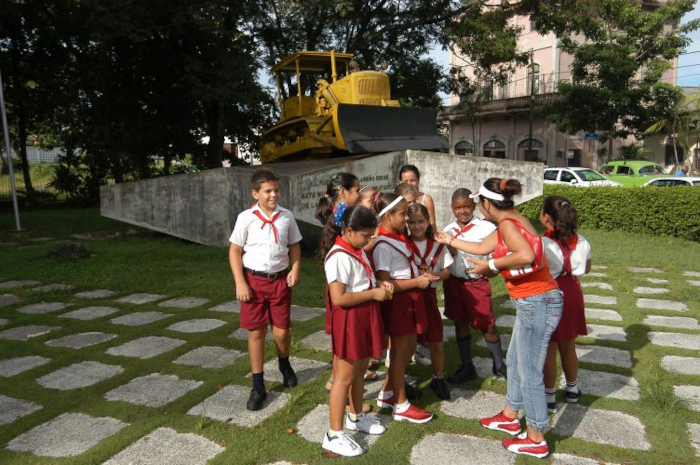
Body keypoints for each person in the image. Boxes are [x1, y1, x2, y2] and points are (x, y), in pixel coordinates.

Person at [435, 178, 562, 459]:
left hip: (537, 301)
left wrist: (491, 265)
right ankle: (510, 415)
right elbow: (481, 247)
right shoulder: (512, 218)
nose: (480, 207)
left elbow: (527, 255)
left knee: (529, 370)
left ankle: (537, 436)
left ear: (487, 203)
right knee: (516, 361)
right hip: (533, 301)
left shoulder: (506, 224)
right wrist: (449, 240)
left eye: (480, 202)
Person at [228, 168, 302, 411]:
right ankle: (258, 384)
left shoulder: (286, 217)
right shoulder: (245, 218)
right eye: (268, 191)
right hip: (254, 283)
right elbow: (235, 251)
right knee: (256, 333)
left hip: (280, 281)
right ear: (255, 193)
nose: (273, 195)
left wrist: (295, 268)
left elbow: (294, 245)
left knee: (281, 332)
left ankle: (284, 363)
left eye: (276, 190)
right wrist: (240, 282)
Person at [321, 205, 392, 457]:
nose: (369, 240)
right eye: (366, 236)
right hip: (350, 319)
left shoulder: (355, 249)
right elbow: (339, 298)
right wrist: (374, 293)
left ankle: (356, 415)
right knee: (344, 377)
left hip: (363, 315)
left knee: (360, 371)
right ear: (349, 231)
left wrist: (377, 286)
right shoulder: (339, 255)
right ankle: (334, 434)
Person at [373, 192, 437, 423]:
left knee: (409, 347)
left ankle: (388, 392)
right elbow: (385, 282)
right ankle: (400, 405)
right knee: (399, 354)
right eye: (402, 213)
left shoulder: (399, 235)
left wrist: (419, 273)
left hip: (411, 297)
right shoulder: (382, 243)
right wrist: (416, 282)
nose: (407, 217)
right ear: (388, 216)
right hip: (399, 302)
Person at [315, 173, 375, 405]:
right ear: (343, 192)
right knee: (344, 351)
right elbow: (340, 284)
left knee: (349, 354)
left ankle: (343, 383)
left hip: (349, 291)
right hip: (346, 292)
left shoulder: (344, 219)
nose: (359, 194)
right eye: (356, 190)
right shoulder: (342, 222)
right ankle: (339, 381)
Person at [441, 188, 506, 383]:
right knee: (460, 323)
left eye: (466, 207)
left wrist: (492, 270)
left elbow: (496, 256)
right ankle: (467, 366)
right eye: (457, 208)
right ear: (452, 208)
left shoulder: (486, 228)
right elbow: (445, 258)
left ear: (473, 206)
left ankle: (499, 364)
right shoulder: (447, 230)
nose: (462, 211)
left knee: (487, 325)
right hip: (454, 284)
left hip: (476, 282)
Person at [540, 196, 591, 413]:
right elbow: (587, 268)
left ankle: (549, 396)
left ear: (546, 218)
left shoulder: (542, 243)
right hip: (572, 292)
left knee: (549, 348)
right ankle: (572, 389)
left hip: (550, 291)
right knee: (569, 346)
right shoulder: (583, 242)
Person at [406, 203, 453, 400]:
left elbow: (447, 271)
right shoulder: (403, 243)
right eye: (412, 222)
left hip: (430, 297)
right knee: (406, 344)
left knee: (436, 340)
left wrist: (437, 276)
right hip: (408, 298)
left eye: (421, 222)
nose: (417, 226)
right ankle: (401, 380)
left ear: (428, 222)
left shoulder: (437, 245)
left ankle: (438, 378)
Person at [399, 165, 437, 230]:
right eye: (406, 181)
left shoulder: (426, 199)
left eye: (412, 180)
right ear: (400, 182)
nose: (409, 183)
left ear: (418, 180)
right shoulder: (398, 199)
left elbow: (432, 223)